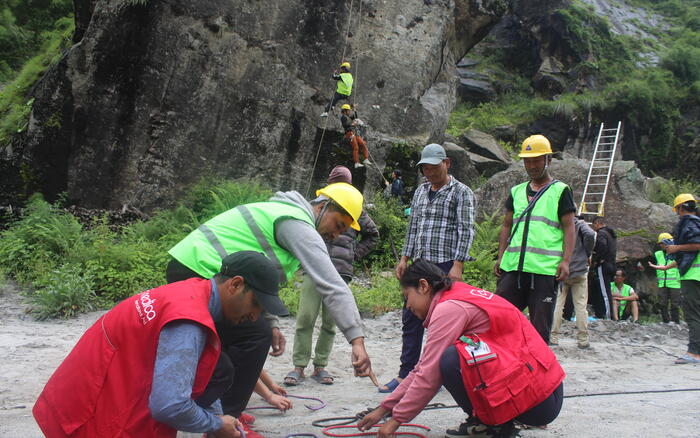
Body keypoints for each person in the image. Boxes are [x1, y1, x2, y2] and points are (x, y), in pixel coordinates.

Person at [165, 183, 374, 432]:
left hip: (193, 267)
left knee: (253, 335)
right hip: (199, 268)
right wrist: (357, 339)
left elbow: (259, 278)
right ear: (322, 207)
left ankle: (221, 412)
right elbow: (332, 283)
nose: (337, 234)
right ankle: (225, 425)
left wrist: (271, 322)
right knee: (253, 336)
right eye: (338, 224)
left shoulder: (281, 212)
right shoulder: (298, 224)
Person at [33, 251, 288, 438]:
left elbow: (206, 373)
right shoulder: (189, 321)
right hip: (87, 421)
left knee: (220, 368)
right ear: (235, 285)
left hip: (73, 401)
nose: (255, 317)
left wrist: (221, 418)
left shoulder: (190, 291)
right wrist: (214, 424)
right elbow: (170, 406)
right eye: (256, 305)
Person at [358, 260, 564, 438]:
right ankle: (493, 421)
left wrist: (395, 420)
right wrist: (384, 408)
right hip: (547, 392)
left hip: (540, 400)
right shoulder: (459, 295)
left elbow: (429, 375)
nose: (408, 306)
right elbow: (422, 367)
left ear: (423, 286)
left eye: (407, 296)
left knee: (451, 360)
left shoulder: (449, 308)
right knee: (452, 356)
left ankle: (489, 425)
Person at [380, 143, 476, 393]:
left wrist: (458, 265)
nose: (430, 173)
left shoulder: (461, 192)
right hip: (419, 264)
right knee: (411, 317)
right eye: (426, 169)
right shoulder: (420, 192)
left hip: (445, 265)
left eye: (434, 168)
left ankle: (443, 373)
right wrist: (404, 258)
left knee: (445, 322)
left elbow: (465, 229)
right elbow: (413, 227)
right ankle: (406, 374)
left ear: (447, 163)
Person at [285, 166, 379, 386]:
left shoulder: (356, 211)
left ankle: (320, 366)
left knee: (330, 322)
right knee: (305, 317)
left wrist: (353, 254)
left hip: (340, 271)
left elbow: (372, 235)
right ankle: (299, 366)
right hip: (313, 268)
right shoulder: (319, 207)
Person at [494, 134, 576, 344]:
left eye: (536, 160)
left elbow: (569, 228)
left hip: (544, 271)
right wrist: (501, 255)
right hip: (513, 269)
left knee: (540, 329)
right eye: (527, 161)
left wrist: (566, 261)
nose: (531, 165)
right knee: (497, 318)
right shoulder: (517, 191)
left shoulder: (560, 191)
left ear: (548, 159)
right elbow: (506, 225)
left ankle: (538, 374)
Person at [649, 193, 700, 364]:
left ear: (681, 208)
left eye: (677, 209)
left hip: (693, 277)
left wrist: (676, 248)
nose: (677, 213)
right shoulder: (698, 222)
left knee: (693, 314)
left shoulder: (689, 223)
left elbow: (697, 245)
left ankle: (694, 353)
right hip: (693, 275)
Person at [550, 215, 596, 348]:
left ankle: (553, 337)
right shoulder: (580, 224)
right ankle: (583, 340)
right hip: (579, 270)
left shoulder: (558, 224)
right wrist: (587, 253)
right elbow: (590, 234)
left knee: (557, 305)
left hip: (560, 270)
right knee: (581, 306)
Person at [590, 216, 617, 319]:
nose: (593, 228)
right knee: (605, 289)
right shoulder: (612, 234)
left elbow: (602, 245)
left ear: (597, 224)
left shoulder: (601, 233)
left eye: (594, 226)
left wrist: (597, 259)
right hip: (612, 264)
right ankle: (602, 313)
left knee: (605, 292)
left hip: (604, 265)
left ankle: (608, 316)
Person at [654, 232, 681, 324]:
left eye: (663, 243)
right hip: (662, 283)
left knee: (675, 304)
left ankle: (675, 322)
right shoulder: (657, 254)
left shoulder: (677, 253)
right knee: (662, 303)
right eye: (660, 243)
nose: (661, 245)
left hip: (675, 283)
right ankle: (666, 322)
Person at [339, 104, 371, 168]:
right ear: (345, 111)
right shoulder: (343, 117)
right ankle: (356, 163)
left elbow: (356, 118)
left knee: (363, 144)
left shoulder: (347, 116)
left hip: (353, 132)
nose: (349, 112)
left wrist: (355, 110)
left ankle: (366, 159)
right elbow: (345, 125)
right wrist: (352, 124)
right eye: (348, 111)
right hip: (349, 133)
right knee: (356, 148)